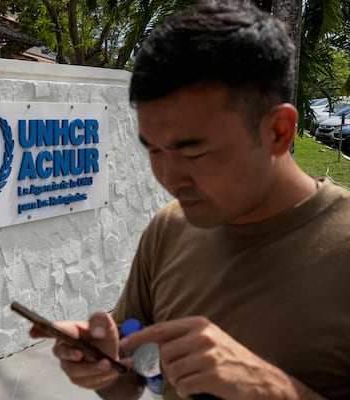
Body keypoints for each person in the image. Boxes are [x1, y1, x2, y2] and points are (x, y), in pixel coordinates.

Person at [30, 1, 350, 399]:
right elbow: (132, 379)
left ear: (278, 131)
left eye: (194, 152)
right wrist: (102, 366)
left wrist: (273, 389)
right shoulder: (169, 228)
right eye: (155, 151)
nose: (169, 179)